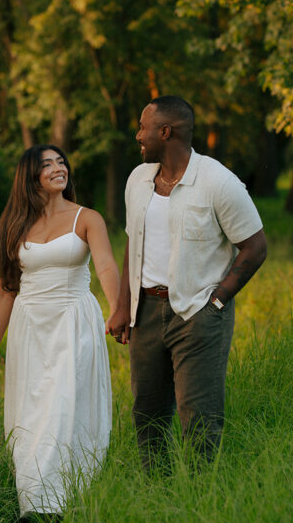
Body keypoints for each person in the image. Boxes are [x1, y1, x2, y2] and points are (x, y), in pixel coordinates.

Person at [106, 95, 267, 470]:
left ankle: (199, 501)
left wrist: (217, 303)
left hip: (197, 314)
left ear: (166, 131)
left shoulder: (217, 183)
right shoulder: (138, 179)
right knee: (146, 415)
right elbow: (134, 238)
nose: (137, 136)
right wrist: (122, 305)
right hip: (144, 314)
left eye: (143, 128)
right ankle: (157, 499)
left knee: (199, 420)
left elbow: (255, 247)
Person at [0, 144, 120, 523]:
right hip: (29, 330)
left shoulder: (87, 218)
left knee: (64, 412)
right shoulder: (16, 227)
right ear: (30, 177)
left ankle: (59, 512)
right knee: (31, 417)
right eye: (47, 165)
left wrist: (117, 310)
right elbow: (7, 290)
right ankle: (35, 505)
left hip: (73, 322)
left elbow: (105, 265)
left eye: (61, 162)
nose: (59, 168)